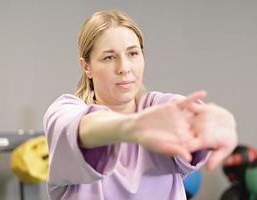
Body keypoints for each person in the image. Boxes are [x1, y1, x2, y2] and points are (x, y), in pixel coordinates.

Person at [43, 10, 238, 200]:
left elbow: (179, 109)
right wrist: (132, 127)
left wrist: (206, 119)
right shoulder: (66, 110)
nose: (124, 68)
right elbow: (81, 127)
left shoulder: (158, 109)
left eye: (133, 53)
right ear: (87, 67)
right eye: (109, 57)